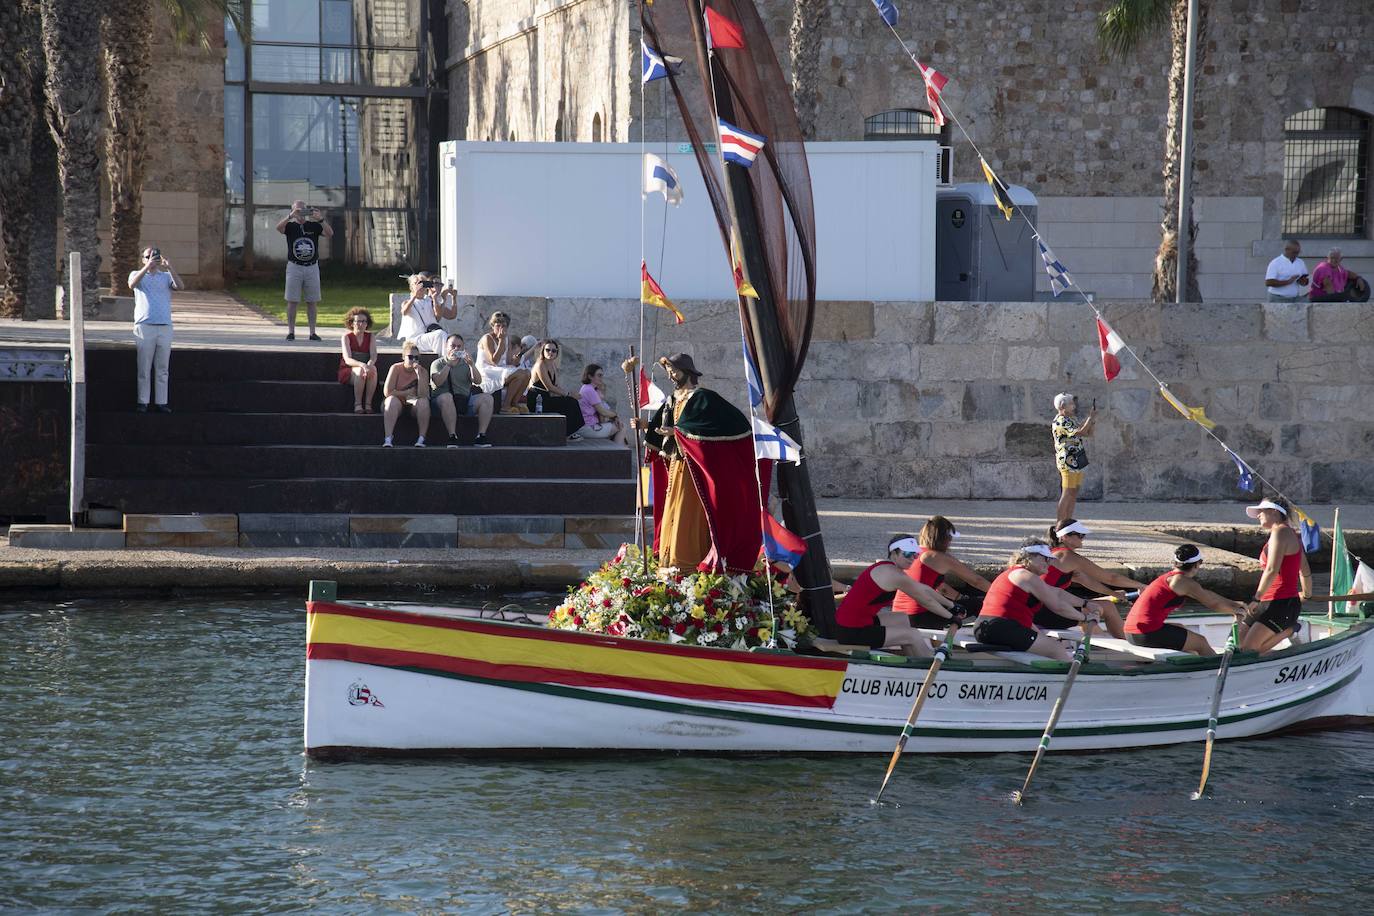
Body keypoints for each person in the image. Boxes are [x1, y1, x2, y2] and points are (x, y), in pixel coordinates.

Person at [631, 353, 762, 573]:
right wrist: (645, 425)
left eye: (674, 370)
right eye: (669, 371)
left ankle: (687, 562)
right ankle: (670, 560)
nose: (671, 375)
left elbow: (724, 425)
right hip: (676, 464)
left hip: (692, 467)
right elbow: (662, 423)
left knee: (688, 512)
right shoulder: (673, 399)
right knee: (672, 509)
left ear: (687, 371)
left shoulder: (703, 398)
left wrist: (677, 432)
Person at [971, 539, 1097, 661]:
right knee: (1056, 649)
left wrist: (1085, 603)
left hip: (985, 628)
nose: (1049, 563)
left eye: (1050, 559)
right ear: (1030, 557)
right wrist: (1085, 618)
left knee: (1051, 645)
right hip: (1001, 628)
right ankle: (1066, 672)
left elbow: (1057, 593)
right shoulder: (1025, 576)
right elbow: (1058, 606)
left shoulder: (1014, 574)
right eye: (1045, 558)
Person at [833, 536, 957, 658]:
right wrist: (951, 617)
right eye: (907, 554)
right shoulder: (893, 575)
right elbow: (926, 601)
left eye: (915, 555)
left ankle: (913, 658)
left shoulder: (888, 567)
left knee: (901, 619)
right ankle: (927, 662)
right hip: (851, 631)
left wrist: (952, 605)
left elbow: (923, 588)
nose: (912, 559)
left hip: (855, 622)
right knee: (913, 635)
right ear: (894, 553)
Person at [1124, 545, 1247, 656]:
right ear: (1197, 565)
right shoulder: (1182, 582)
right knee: (1201, 642)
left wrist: (1234, 604)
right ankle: (1214, 668)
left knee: (1180, 628)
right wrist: (1237, 611)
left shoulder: (1170, 577)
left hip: (1130, 632)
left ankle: (1194, 664)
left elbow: (1207, 594)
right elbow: (1213, 604)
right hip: (1145, 633)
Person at [1037, 518, 1147, 639]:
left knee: (1096, 607)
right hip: (1046, 612)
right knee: (1105, 608)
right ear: (1064, 537)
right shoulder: (1068, 556)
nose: (1083, 538)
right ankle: (1126, 642)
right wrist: (1141, 586)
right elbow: (1111, 578)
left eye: (1083, 535)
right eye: (1080, 535)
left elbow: (1088, 581)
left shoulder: (1054, 553)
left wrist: (1114, 594)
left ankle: (1102, 641)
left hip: (1042, 609)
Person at [1240, 497, 1312, 653]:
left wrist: (1256, 598)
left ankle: (1291, 630)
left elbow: (1272, 570)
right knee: (1238, 646)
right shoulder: (1288, 534)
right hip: (1266, 601)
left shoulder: (1281, 532)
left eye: (1261, 511)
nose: (1258, 515)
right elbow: (1305, 570)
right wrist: (1307, 594)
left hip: (1281, 603)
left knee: (1249, 651)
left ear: (1274, 511)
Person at [893, 516, 991, 627]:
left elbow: (942, 588)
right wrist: (999, 592)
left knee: (961, 604)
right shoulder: (936, 556)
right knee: (979, 603)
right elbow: (977, 581)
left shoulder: (916, 553)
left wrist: (962, 598)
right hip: (920, 616)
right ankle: (988, 633)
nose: (950, 542)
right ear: (944, 538)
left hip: (900, 615)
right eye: (950, 537)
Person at [128, 246, 182, 413]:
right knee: (144, 367)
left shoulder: (165, 276)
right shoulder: (137, 274)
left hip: (164, 327)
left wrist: (170, 267)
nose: (152, 260)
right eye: (148, 257)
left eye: (154, 257)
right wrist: (147, 267)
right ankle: (143, 402)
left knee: (162, 368)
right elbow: (132, 284)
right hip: (145, 326)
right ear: (143, 259)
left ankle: (161, 402)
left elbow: (180, 286)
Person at [274, 200, 333, 340]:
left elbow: (330, 233)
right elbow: (278, 228)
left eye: (303, 210)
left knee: (312, 300)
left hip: (311, 266)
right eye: (298, 210)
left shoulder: (313, 226)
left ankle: (312, 332)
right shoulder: (290, 226)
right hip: (294, 266)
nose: (300, 213)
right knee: (292, 300)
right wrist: (290, 216)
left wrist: (320, 219)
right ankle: (291, 331)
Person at [430, 333, 494, 447]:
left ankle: (481, 436)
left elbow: (477, 381)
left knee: (488, 398)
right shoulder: (438, 363)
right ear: (446, 346)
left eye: (459, 346)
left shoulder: (465, 364)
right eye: (453, 346)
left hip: (464, 401)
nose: (456, 349)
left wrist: (471, 365)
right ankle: (452, 436)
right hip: (441, 403)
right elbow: (438, 382)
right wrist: (448, 365)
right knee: (447, 397)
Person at [476, 311, 532, 413]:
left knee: (527, 373)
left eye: (504, 326)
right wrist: (501, 341)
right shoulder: (487, 338)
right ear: (492, 326)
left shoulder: (507, 339)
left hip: (502, 368)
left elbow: (509, 361)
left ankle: (514, 403)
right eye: (498, 326)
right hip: (487, 370)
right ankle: (506, 405)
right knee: (519, 374)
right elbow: (494, 361)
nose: (501, 329)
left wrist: (516, 360)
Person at [525, 339, 583, 438]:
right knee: (570, 402)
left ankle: (567, 432)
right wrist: (569, 394)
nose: (550, 352)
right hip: (537, 400)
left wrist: (570, 395)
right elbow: (549, 387)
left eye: (554, 351)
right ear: (543, 351)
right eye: (547, 350)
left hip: (546, 398)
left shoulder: (553, 365)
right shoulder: (540, 365)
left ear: (556, 353)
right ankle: (566, 433)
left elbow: (556, 386)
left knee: (571, 402)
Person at [1052, 392, 1094, 521]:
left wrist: (1092, 421)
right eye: (1070, 404)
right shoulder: (1061, 421)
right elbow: (1080, 432)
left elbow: (1087, 433)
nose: (1073, 406)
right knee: (1067, 493)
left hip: (1077, 459)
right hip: (1067, 461)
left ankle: (1068, 521)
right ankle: (1060, 524)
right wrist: (1090, 418)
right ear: (1062, 407)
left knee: (1073, 492)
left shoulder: (1071, 419)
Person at [381, 339, 431, 448]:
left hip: (413, 404)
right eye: (410, 357)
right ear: (404, 357)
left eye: (416, 358)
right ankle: (388, 438)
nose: (414, 360)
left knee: (424, 402)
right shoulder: (396, 368)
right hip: (397, 402)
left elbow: (423, 394)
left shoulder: (423, 371)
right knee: (391, 401)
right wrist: (405, 393)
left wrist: (419, 375)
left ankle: (421, 438)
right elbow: (387, 392)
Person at [397, 272, 457, 356]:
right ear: (411, 287)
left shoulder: (429, 301)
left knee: (452, 339)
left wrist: (437, 299)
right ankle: (444, 360)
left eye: (422, 283)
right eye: (416, 283)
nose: (420, 286)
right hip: (414, 340)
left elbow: (438, 317)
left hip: (428, 336)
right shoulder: (407, 302)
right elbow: (404, 312)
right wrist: (414, 296)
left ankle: (450, 360)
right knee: (440, 335)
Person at [577, 364, 629, 446]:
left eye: (602, 375)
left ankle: (618, 449)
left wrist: (614, 418)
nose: (601, 378)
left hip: (590, 425)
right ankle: (617, 451)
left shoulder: (589, 388)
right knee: (622, 426)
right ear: (590, 376)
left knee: (617, 425)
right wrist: (615, 416)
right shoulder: (589, 390)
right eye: (599, 375)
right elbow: (603, 412)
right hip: (588, 427)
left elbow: (604, 412)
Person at [338, 307, 378, 413]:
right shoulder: (346, 337)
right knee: (360, 371)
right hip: (348, 370)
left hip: (366, 367)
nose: (361, 324)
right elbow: (347, 359)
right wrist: (363, 366)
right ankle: (358, 404)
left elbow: (373, 355)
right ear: (352, 323)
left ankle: (368, 404)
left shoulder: (371, 336)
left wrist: (369, 365)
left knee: (373, 369)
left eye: (364, 321)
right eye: (358, 321)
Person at [1264, 239, 1309, 304]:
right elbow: (1268, 282)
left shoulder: (1300, 262)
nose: (1296, 255)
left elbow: (1305, 280)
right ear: (1286, 250)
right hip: (1277, 298)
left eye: (1298, 252)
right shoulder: (1276, 263)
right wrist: (1288, 281)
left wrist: (1303, 281)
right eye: (1294, 252)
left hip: (1295, 298)